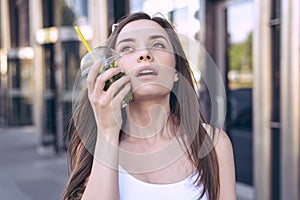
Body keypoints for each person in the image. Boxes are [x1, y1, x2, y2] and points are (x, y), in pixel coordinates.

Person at [62, 12, 236, 200]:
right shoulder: (94, 147)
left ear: (176, 71)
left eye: (158, 45)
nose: (145, 54)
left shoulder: (213, 142)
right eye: (127, 48)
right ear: (112, 71)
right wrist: (107, 133)